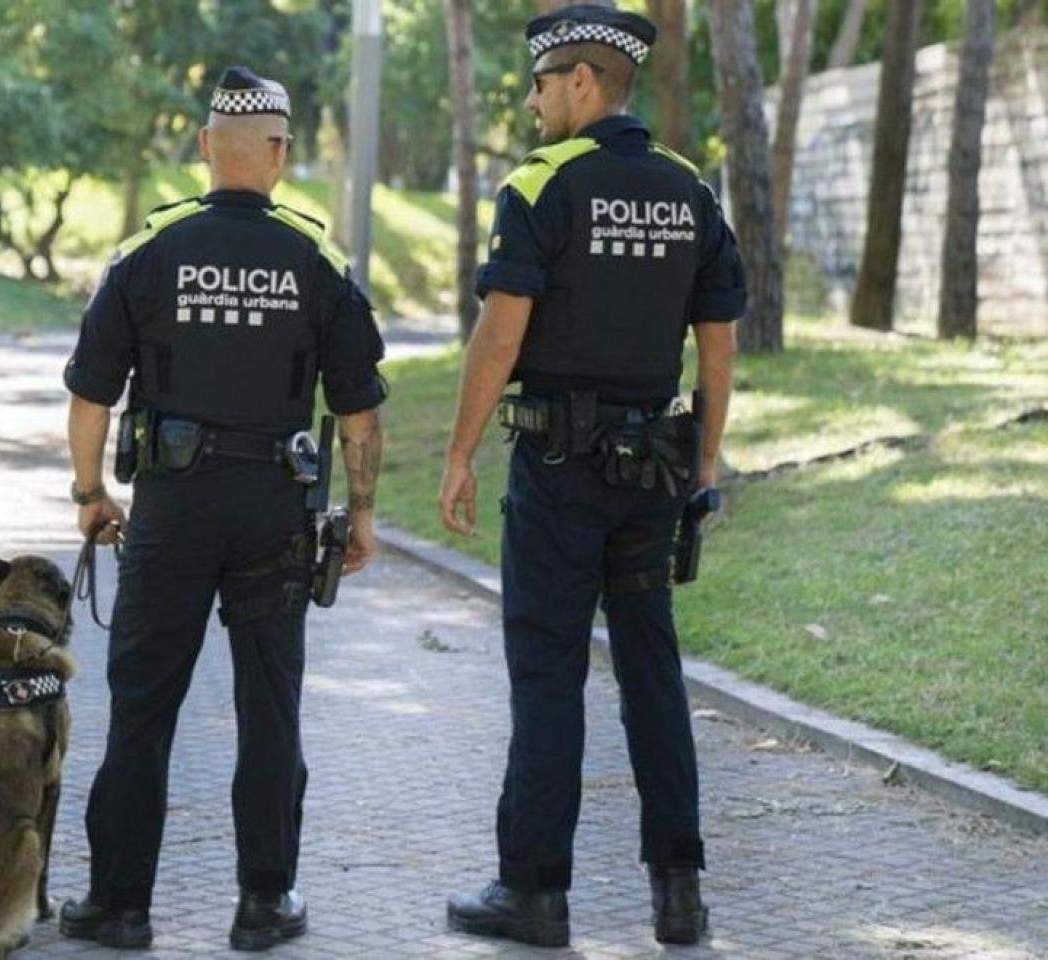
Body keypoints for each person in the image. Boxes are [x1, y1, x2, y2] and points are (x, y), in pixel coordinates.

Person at [58, 66, 388, 953]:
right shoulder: (318, 262)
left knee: (143, 708)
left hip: (171, 508)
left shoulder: (147, 253)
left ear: (207, 147)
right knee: (269, 711)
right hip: (276, 512)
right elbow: (359, 412)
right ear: (279, 151)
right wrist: (361, 514)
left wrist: (91, 495)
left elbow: (90, 396)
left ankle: (121, 906)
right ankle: (264, 904)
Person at [436, 5, 744, 949]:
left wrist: (459, 452)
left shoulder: (542, 186)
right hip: (654, 475)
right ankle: (679, 896)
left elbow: (501, 334)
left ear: (580, 82)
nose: (532, 105)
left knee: (548, 673)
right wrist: (702, 463)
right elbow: (718, 345)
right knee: (652, 671)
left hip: (560, 475)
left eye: (540, 85)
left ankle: (534, 893)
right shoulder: (689, 190)